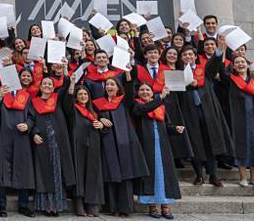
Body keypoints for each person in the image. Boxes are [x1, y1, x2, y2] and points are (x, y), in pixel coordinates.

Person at [93, 75, 148, 218]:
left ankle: (125, 208)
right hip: (107, 143)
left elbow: (129, 92)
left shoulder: (124, 102)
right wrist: (100, 119)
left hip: (125, 143)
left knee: (125, 175)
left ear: (118, 87)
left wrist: (129, 75)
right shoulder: (98, 104)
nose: (110, 87)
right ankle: (113, 207)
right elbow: (92, 117)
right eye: (108, 84)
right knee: (111, 174)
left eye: (112, 84)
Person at [218, 53, 254, 187]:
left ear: (248, 65)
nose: (240, 64)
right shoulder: (231, 80)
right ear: (234, 67)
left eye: (242, 62)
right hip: (239, 120)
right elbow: (222, 71)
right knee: (241, 147)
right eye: (237, 63)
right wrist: (223, 50)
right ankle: (243, 177)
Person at [180, 44, 233, 187]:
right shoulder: (178, 74)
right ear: (182, 58)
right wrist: (187, 85)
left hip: (207, 112)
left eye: (190, 54)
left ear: (195, 57)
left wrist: (219, 50)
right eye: (185, 55)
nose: (188, 57)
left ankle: (213, 175)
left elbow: (214, 64)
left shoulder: (203, 70)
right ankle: (199, 175)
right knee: (195, 144)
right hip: (189, 113)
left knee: (211, 143)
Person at [0, 68, 36, 218]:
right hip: (3, 135)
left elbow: (32, 116)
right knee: (4, 169)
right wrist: (0, 97)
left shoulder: (26, 96)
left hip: (21, 137)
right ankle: (2, 205)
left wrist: (28, 125)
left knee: (23, 169)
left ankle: (23, 205)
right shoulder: (1, 94)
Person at [133, 82, 182, 219]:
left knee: (163, 175)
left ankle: (165, 207)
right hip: (146, 145)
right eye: (141, 90)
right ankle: (152, 207)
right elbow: (144, 110)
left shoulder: (160, 107)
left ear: (151, 92)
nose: (144, 92)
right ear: (138, 93)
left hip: (162, 145)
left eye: (147, 90)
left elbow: (166, 125)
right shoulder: (137, 105)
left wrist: (175, 129)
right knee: (151, 175)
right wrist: (160, 98)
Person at [31, 76, 75, 217]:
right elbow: (30, 119)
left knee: (57, 172)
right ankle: (46, 205)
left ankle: (56, 206)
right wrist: (33, 133)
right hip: (42, 141)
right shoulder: (33, 102)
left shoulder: (58, 99)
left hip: (57, 141)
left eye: (50, 84)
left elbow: (67, 92)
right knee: (44, 173)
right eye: (44, 83)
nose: (47, 86)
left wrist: (70, 78)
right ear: (40, 86)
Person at [65, 81, 105, 217]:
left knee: (93, 174)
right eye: (80, 94)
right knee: (80, 174)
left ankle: (93, 205)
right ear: (76, 97)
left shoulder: (93, 111)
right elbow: (68, 100)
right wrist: (71, 84)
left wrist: (101, 125)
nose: (82, 96)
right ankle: (80, 205)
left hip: (93, 145)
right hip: (78, 145)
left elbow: (103, 128)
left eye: (85, 94)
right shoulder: (73, 109)